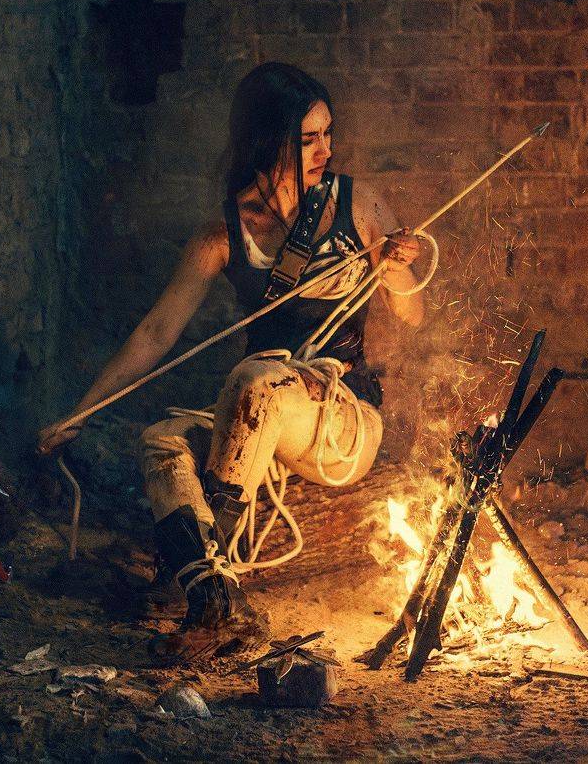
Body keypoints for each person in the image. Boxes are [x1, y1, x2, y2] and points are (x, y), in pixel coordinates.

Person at [38, 62, 426, 657]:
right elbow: (155, 333)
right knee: (162, 440)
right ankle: (213, 600)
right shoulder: (224, 234)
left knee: (254, 380)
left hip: (340, 419)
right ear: (268, 141)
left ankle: (193, 578)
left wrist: (395, 264)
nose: (326, 150)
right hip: (256, 416)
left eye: (328, 134)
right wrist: (81, 411)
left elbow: (411, 314)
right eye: (309, 139)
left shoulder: (358, 205)